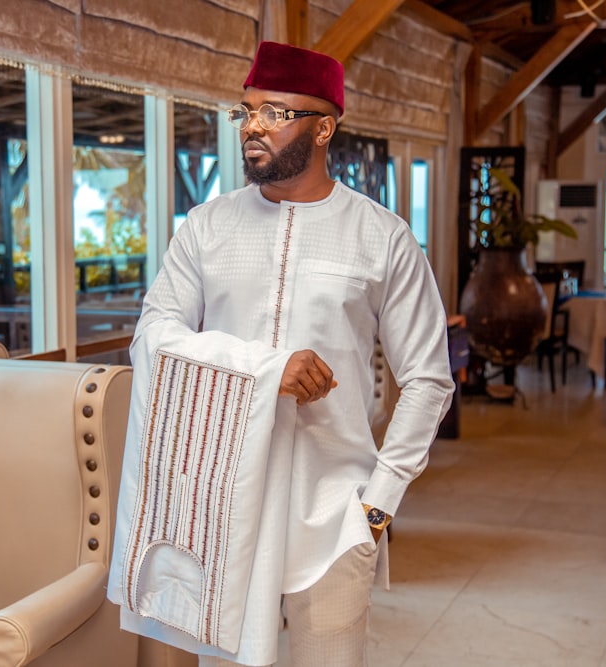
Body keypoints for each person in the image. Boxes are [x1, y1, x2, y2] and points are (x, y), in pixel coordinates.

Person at [107, 41, 454, 666]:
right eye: (246, 112)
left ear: (324, 127)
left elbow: (428, 380)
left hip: (333, 512)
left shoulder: (382, 236)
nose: (254, 128)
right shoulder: (205, 228)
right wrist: (268, 370)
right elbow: (151, 340)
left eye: (274, 111)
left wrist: (377, 506)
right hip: (217, 507)